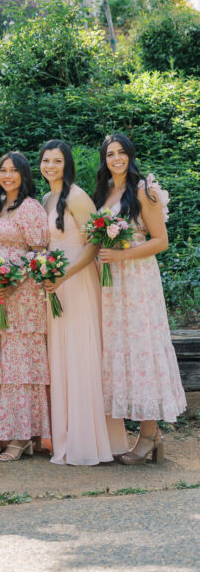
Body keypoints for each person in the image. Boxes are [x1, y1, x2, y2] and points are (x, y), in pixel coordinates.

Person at [93, 132, 185, 463]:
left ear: (130, 155)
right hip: (111, 284)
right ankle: (143, 434)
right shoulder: (105, 192)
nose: (116, 158)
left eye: (121, 152)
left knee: (139, 346)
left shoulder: (145, 191)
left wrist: (122, 256)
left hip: (137, 281)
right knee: (120, 349)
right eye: (109, 154)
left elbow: (161, 241)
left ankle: (149, 435)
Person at [39, 139, 113, 466]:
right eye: (46, 161)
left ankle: (87, 441)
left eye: (57, 161)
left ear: (67, 165)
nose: (50, 166)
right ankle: (64, 435)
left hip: (77, 280)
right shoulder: (46, 198)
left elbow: (95, 244)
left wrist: (64, 274)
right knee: (61, 356)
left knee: (79, 354)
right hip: (54, 283)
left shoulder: (77, 196)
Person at [0, 151, 50, 461]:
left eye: (14, 171)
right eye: (3, 170)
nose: (7, 175)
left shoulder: (30, 207)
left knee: (19, 365)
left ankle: (22, 436)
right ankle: (6, 432)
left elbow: (39, 252)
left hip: (22, 295)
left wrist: (13, 280)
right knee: (3, 364)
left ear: (24, 175)